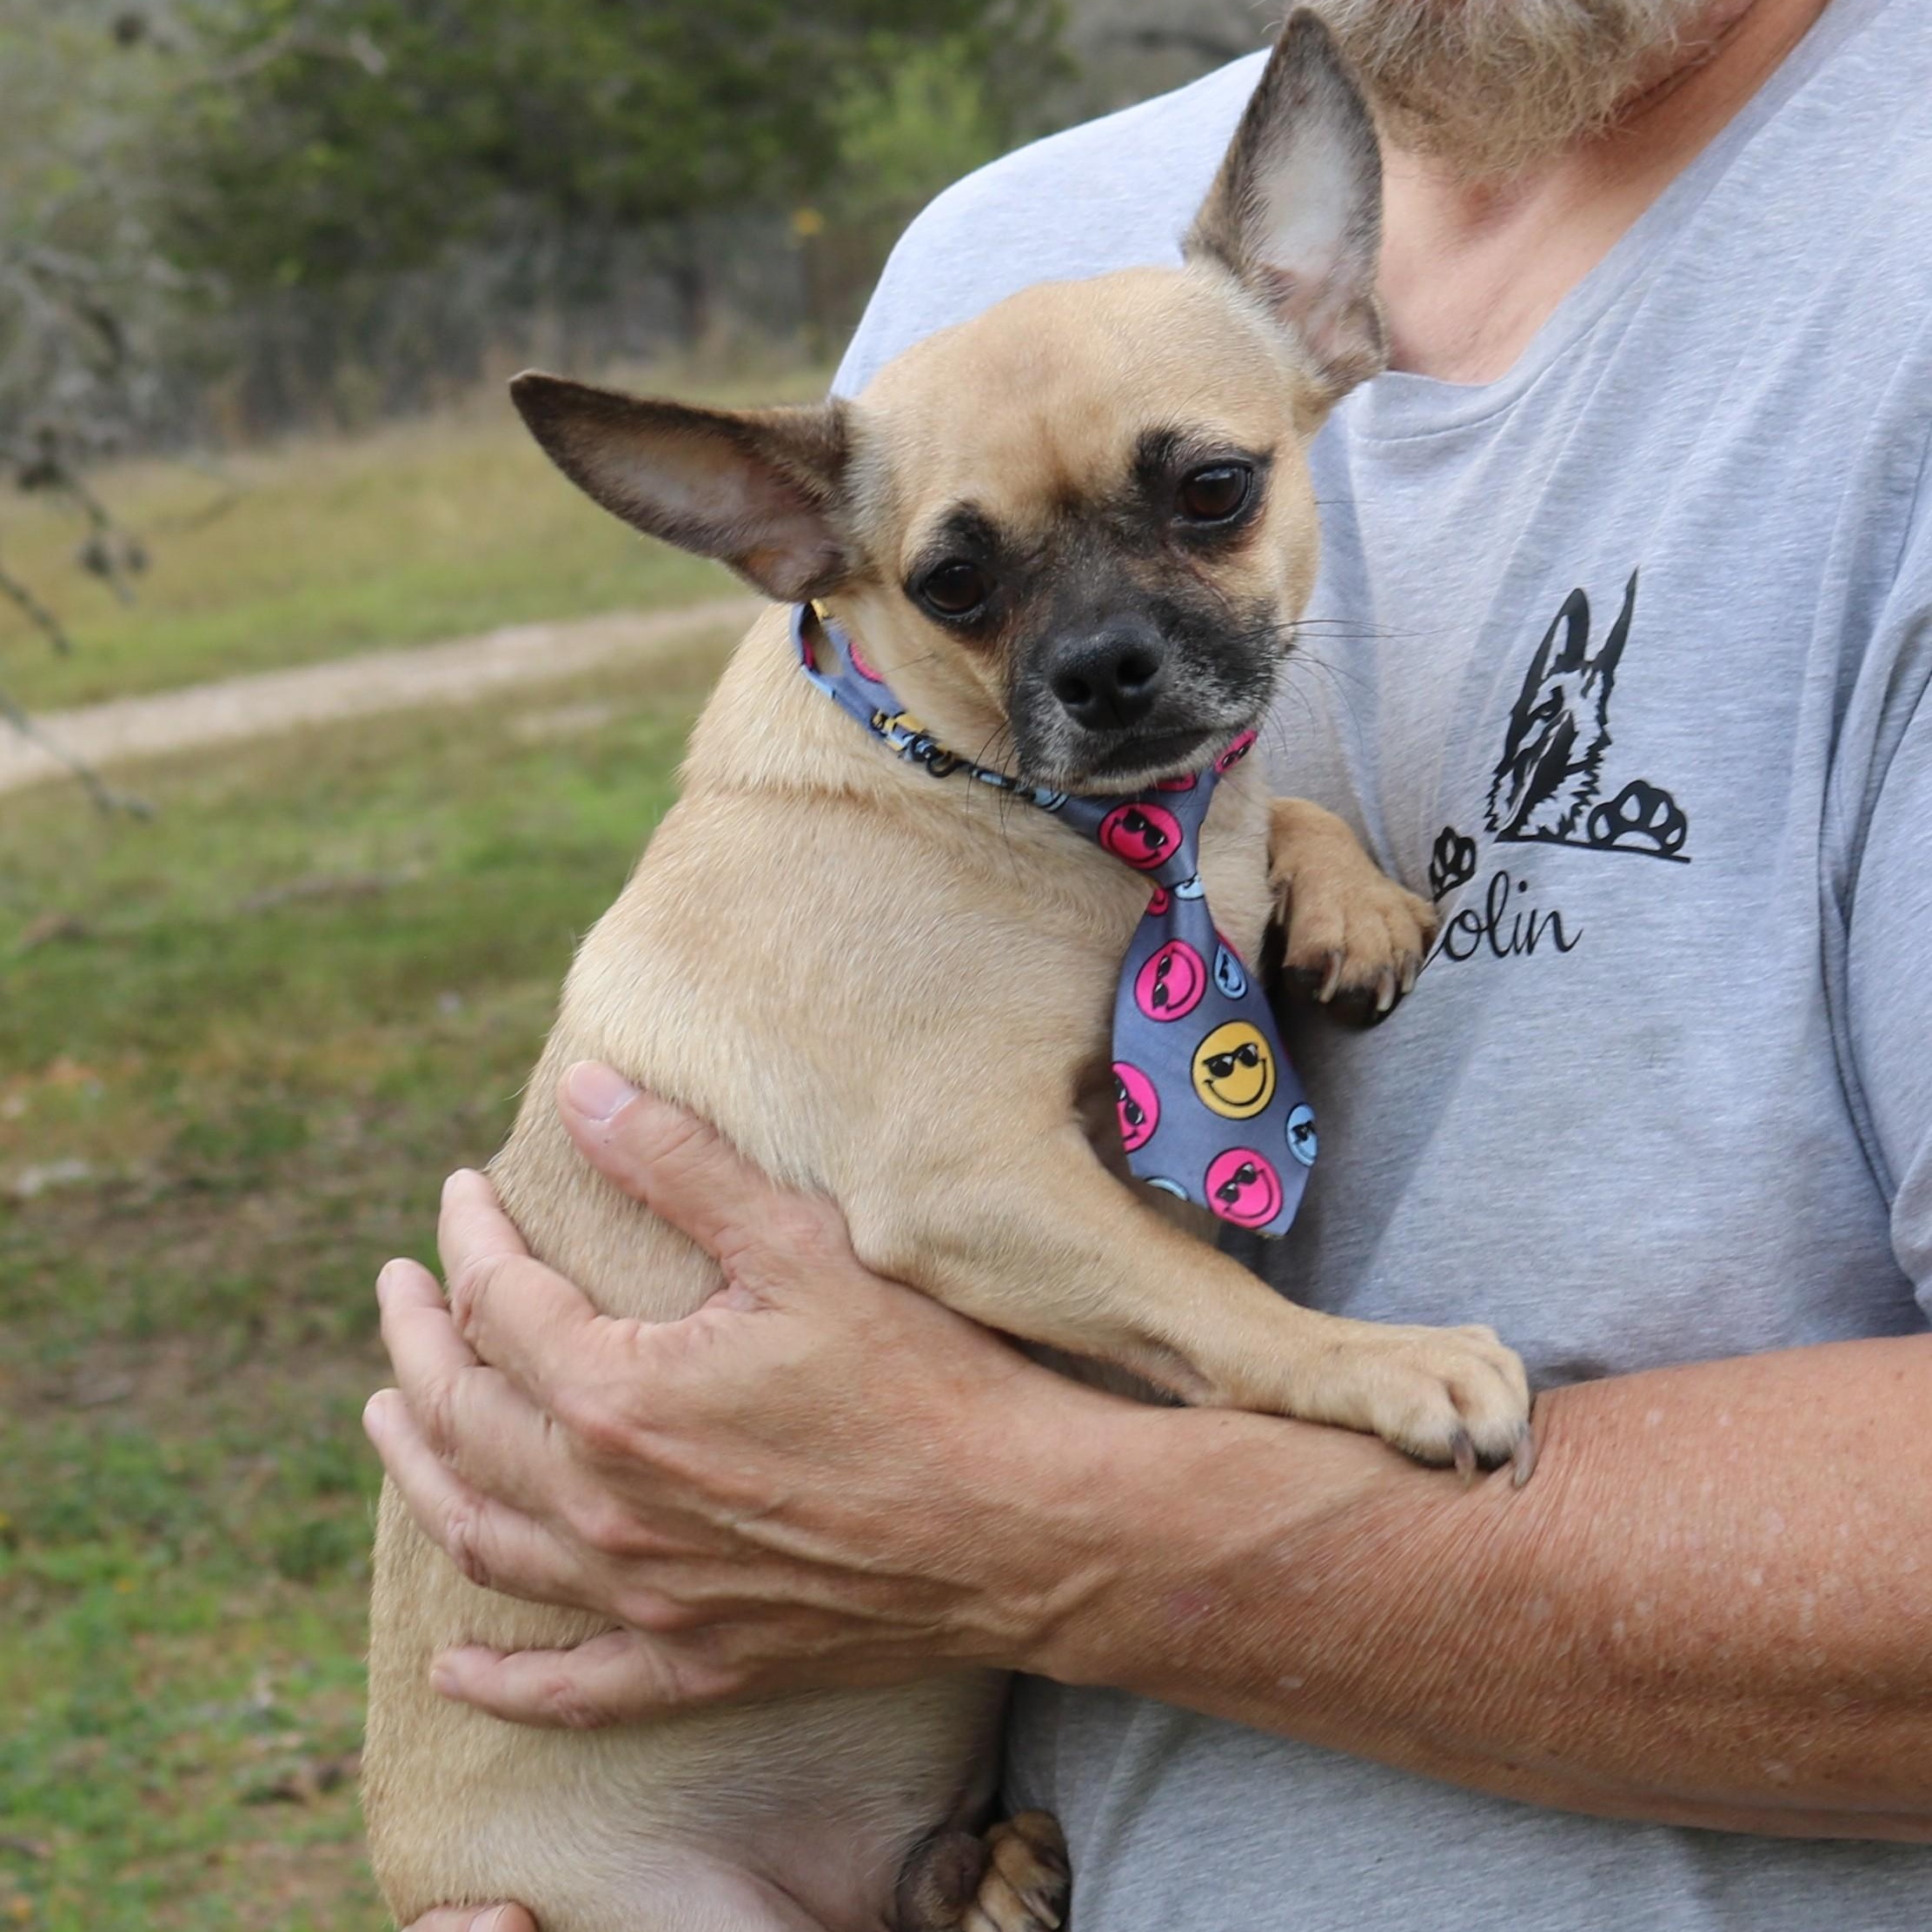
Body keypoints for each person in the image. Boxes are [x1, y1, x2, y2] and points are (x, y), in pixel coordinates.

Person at [366, 0, 1932, 1925]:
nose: (1098, 644)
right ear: (800, 547)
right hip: (659, 1838)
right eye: (975, 585)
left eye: (1197, 502)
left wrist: (1030, 1526)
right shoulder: (994, 266)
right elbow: (986, 881)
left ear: (1324, 320)